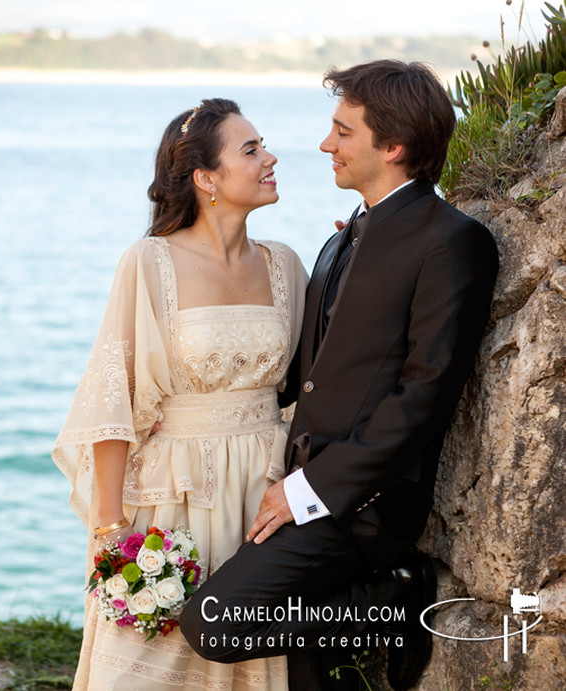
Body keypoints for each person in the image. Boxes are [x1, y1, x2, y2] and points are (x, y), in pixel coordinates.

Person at [180, 61, 499, 691]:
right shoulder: (342, 239)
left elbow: (423, 398)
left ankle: (396, 602)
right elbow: (314, 372)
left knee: (213, 625)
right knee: (314, 680)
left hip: (364, 505)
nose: (327, 144)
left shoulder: (453, 242)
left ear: (394, 146)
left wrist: (307, 492)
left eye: (342, 131)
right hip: (303, 479)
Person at [53, 98, 308, 690]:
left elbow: (304, 390)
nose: (270, 158)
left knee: (244, 662)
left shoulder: (286, 266)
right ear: (206, 178)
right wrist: (111, 531)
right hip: (173, 494)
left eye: (263, 146)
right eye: (251, 150)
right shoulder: (149, 262)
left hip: (261, 497)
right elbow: (113, 401)